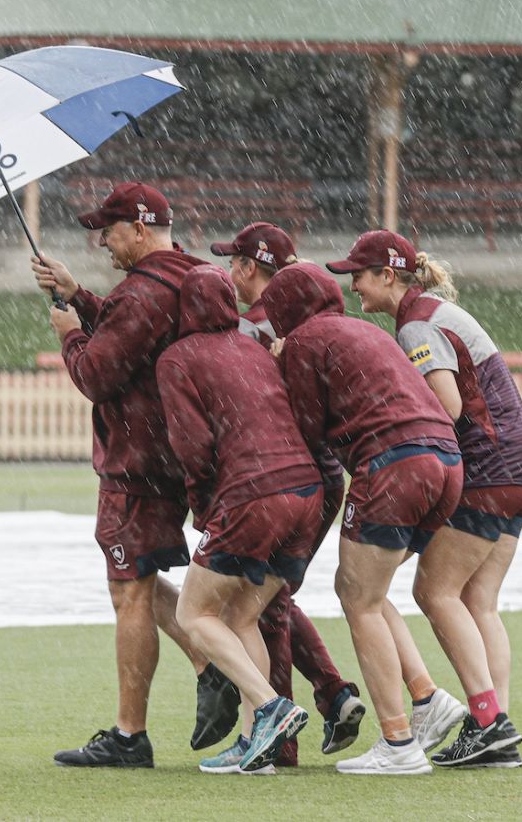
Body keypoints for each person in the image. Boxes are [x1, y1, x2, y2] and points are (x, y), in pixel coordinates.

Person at [262, 263, 521, 775]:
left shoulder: (305, 341)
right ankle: (437, 703)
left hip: (393, 463)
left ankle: (399, 743)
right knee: (372, 592)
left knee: (356, 597)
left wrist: (281, 365)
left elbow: (310, 430)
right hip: (448, 464)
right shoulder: (367, 330)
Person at [328, 230, 522, 769]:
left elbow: (445, 405)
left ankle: (490, 721)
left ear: (388, 276)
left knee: (434, 591)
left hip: (490, 466)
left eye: (359, 274)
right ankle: (492, 728)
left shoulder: (416, 324)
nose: (352, 284)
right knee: (478, 603)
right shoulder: (433, 312)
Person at [35, 181, 211, 768]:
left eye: (108, 232)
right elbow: (135, 334)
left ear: (139, 229)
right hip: (175, 454)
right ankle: (217, 663)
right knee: (143, 578)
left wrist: (69, 337)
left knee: (127, 586)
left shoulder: (141, 293)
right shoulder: (188, 275)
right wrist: (78, 294)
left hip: (135, 461)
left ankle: (130, 734)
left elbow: (97, 374)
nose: (103, 244)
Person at [203, 222, 375, 764]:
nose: (231, 271)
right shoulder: (286, 325)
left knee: (265, 603)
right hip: (319, 473)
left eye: (234, 262)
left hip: (287, 474)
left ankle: (282, 741)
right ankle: (332, 692)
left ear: (250, 269)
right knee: (273, 596)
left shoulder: (253, 330)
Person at [158, 264, 323, 774]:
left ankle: (270, 708)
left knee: (193, 614)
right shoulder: (254, 347)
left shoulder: (177, 359)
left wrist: (202, 504)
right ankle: (258, 741)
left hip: (252, 494)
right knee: (242, 616)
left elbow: (193, 445)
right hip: (308, 492)